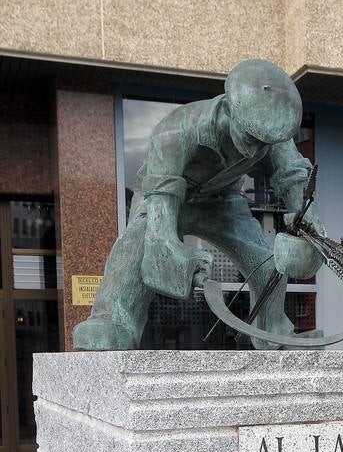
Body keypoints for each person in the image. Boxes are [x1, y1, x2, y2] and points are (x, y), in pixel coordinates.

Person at [73, 58, 323, 351]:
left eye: (263, 144)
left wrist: (309, 227)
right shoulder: (175, 132)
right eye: (250, 138)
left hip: (223, 201)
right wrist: (177, 259)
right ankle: (114, 321)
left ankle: (274, 331)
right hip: (164, 196)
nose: (257, 149)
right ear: (229, 109)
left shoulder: (271, 132)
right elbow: (160, 238)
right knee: (137, 243)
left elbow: (293, 178)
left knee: (266, 263)